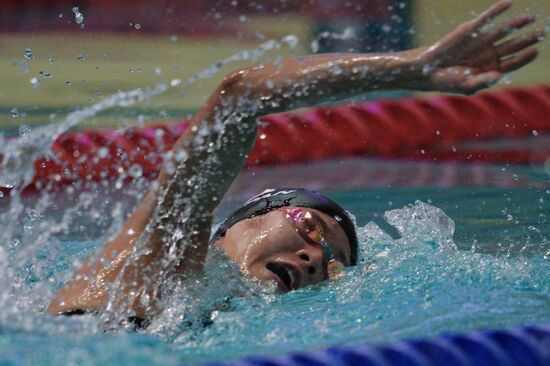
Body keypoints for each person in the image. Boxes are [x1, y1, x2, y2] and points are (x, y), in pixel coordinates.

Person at [48, 0, 543, 323]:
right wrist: (411, 68)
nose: (316, 258)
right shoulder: (159, 248)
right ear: (247, 217)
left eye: (333, 262)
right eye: (310, 227)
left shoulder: (206, 313)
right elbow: (238, 96)